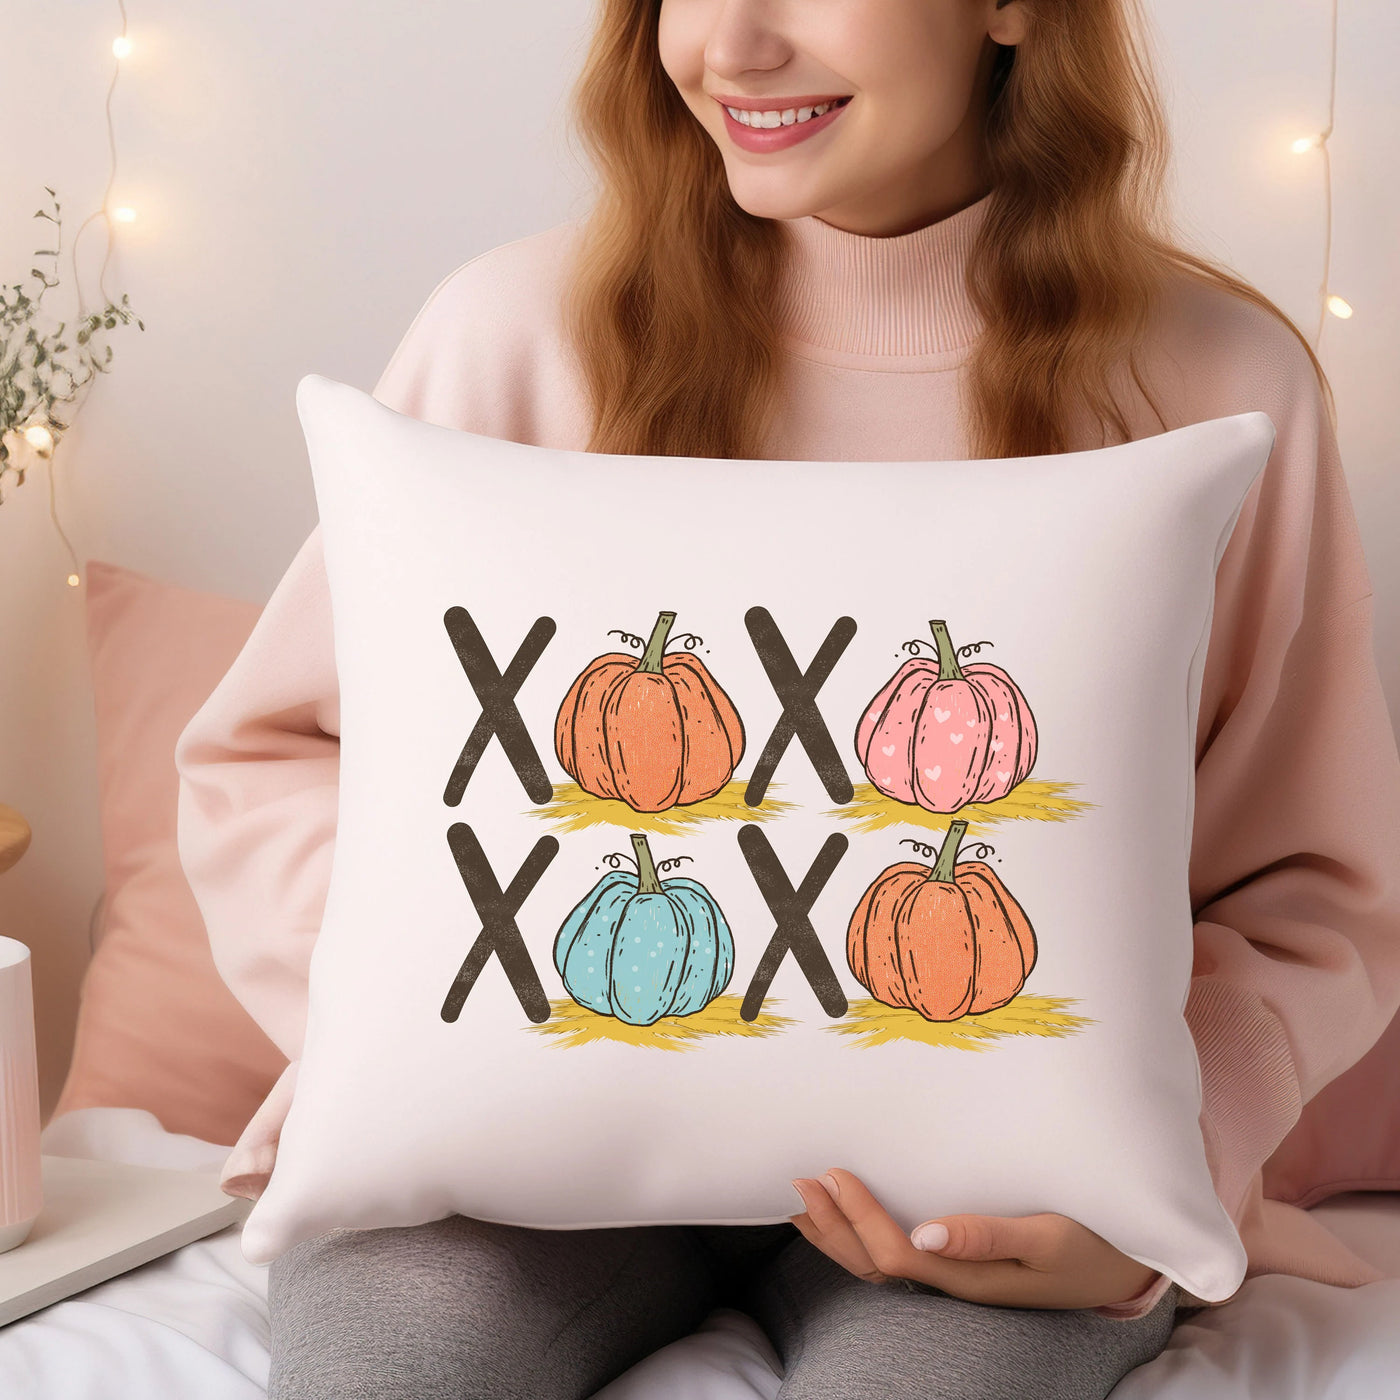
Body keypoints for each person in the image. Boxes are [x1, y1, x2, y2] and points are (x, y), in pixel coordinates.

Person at [174, 0, 1400, 1395]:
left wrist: (1150, 1204)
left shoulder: (1212, 381)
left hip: (984, 1188)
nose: (732, 46)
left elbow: (1304, 893)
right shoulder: (513, 333)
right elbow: (268, 756)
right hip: (509, 1182)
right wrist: (416, 1019)